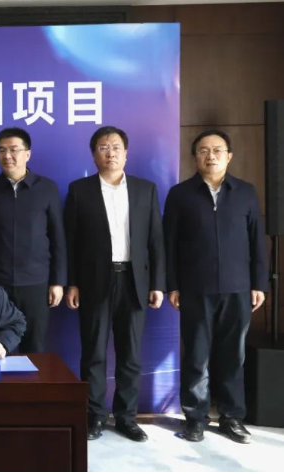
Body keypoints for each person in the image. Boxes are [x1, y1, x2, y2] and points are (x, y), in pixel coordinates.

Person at [164, 130, 268, 444]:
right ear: (195, 156)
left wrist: (259, 284)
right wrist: (172, 285)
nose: (211, 156)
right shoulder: (180, 194)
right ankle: (195, 418)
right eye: (204, 150)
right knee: (196, 356)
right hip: (195, 288)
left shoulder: (245, 192)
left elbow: (257, 241)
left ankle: (231, 417)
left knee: (232, 356)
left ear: (229, 156)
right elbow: (169, 244)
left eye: (218, 150)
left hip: (238, 288)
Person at [64, 126, 165, 442]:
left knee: (130, 354)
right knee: (93, 353)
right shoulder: (79, 190)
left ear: (126, 153)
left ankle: (126, 418)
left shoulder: (145, 190)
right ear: (94, 155)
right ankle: (94, 416)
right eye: (103, 147)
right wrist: (72, 283)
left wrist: (157, 284)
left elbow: (156, 241)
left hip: (135, 281)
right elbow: (70, 243)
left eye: (116, 147)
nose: (111, 153)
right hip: (94, 281)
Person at [0, 127, 66, 353]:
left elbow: (58, 238)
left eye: (14, 150)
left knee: (34, 347)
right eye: (2, 150)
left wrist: (58, 282)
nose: (7, 156)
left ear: (27, 154)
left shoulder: (46, 188)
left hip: (36, 282)